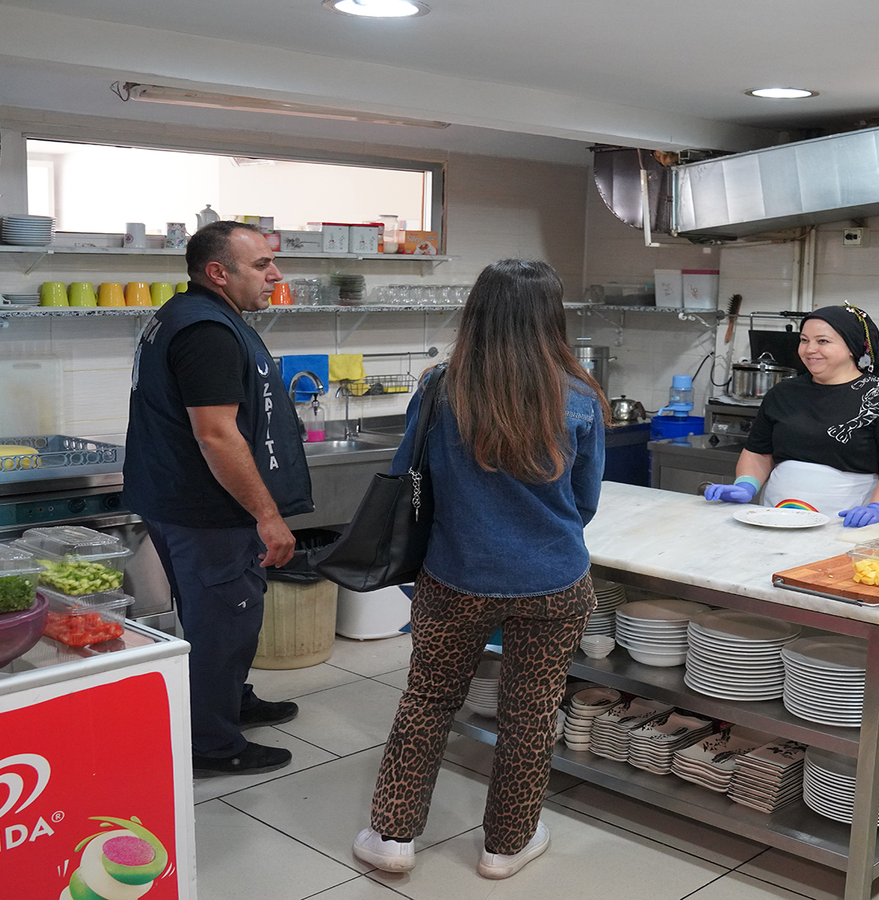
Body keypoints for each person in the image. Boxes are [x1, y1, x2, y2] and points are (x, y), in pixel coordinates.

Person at [351, 259, 606, 880]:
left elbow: (409, 475)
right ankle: (506, 846)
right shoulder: (579, 397)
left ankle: (392, 836)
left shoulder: (441, 388)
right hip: (553, 581)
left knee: (428, 699)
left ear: (478, 312)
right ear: (551, 318)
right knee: (531, 714)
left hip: (455, 577)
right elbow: (585, 501)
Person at [123, 221, 314, 777]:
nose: (275, 274)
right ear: (218, 273)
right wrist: (268, 515)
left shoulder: (184, 313)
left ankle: (228, 702)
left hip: (178, 500)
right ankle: (211, 742)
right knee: (224, 623)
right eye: (261, 265)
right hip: (208, 511)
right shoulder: (207, 331)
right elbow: (216, 435)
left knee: (215, 618)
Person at [703, 305, 879, 525]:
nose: (810, 349)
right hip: (779, 515)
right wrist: (745, 485)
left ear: (852, 347)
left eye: (822, 341)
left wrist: (877, 508)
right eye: (804, 340)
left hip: (849, 521)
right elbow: (759, 453)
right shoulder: (782, 393)